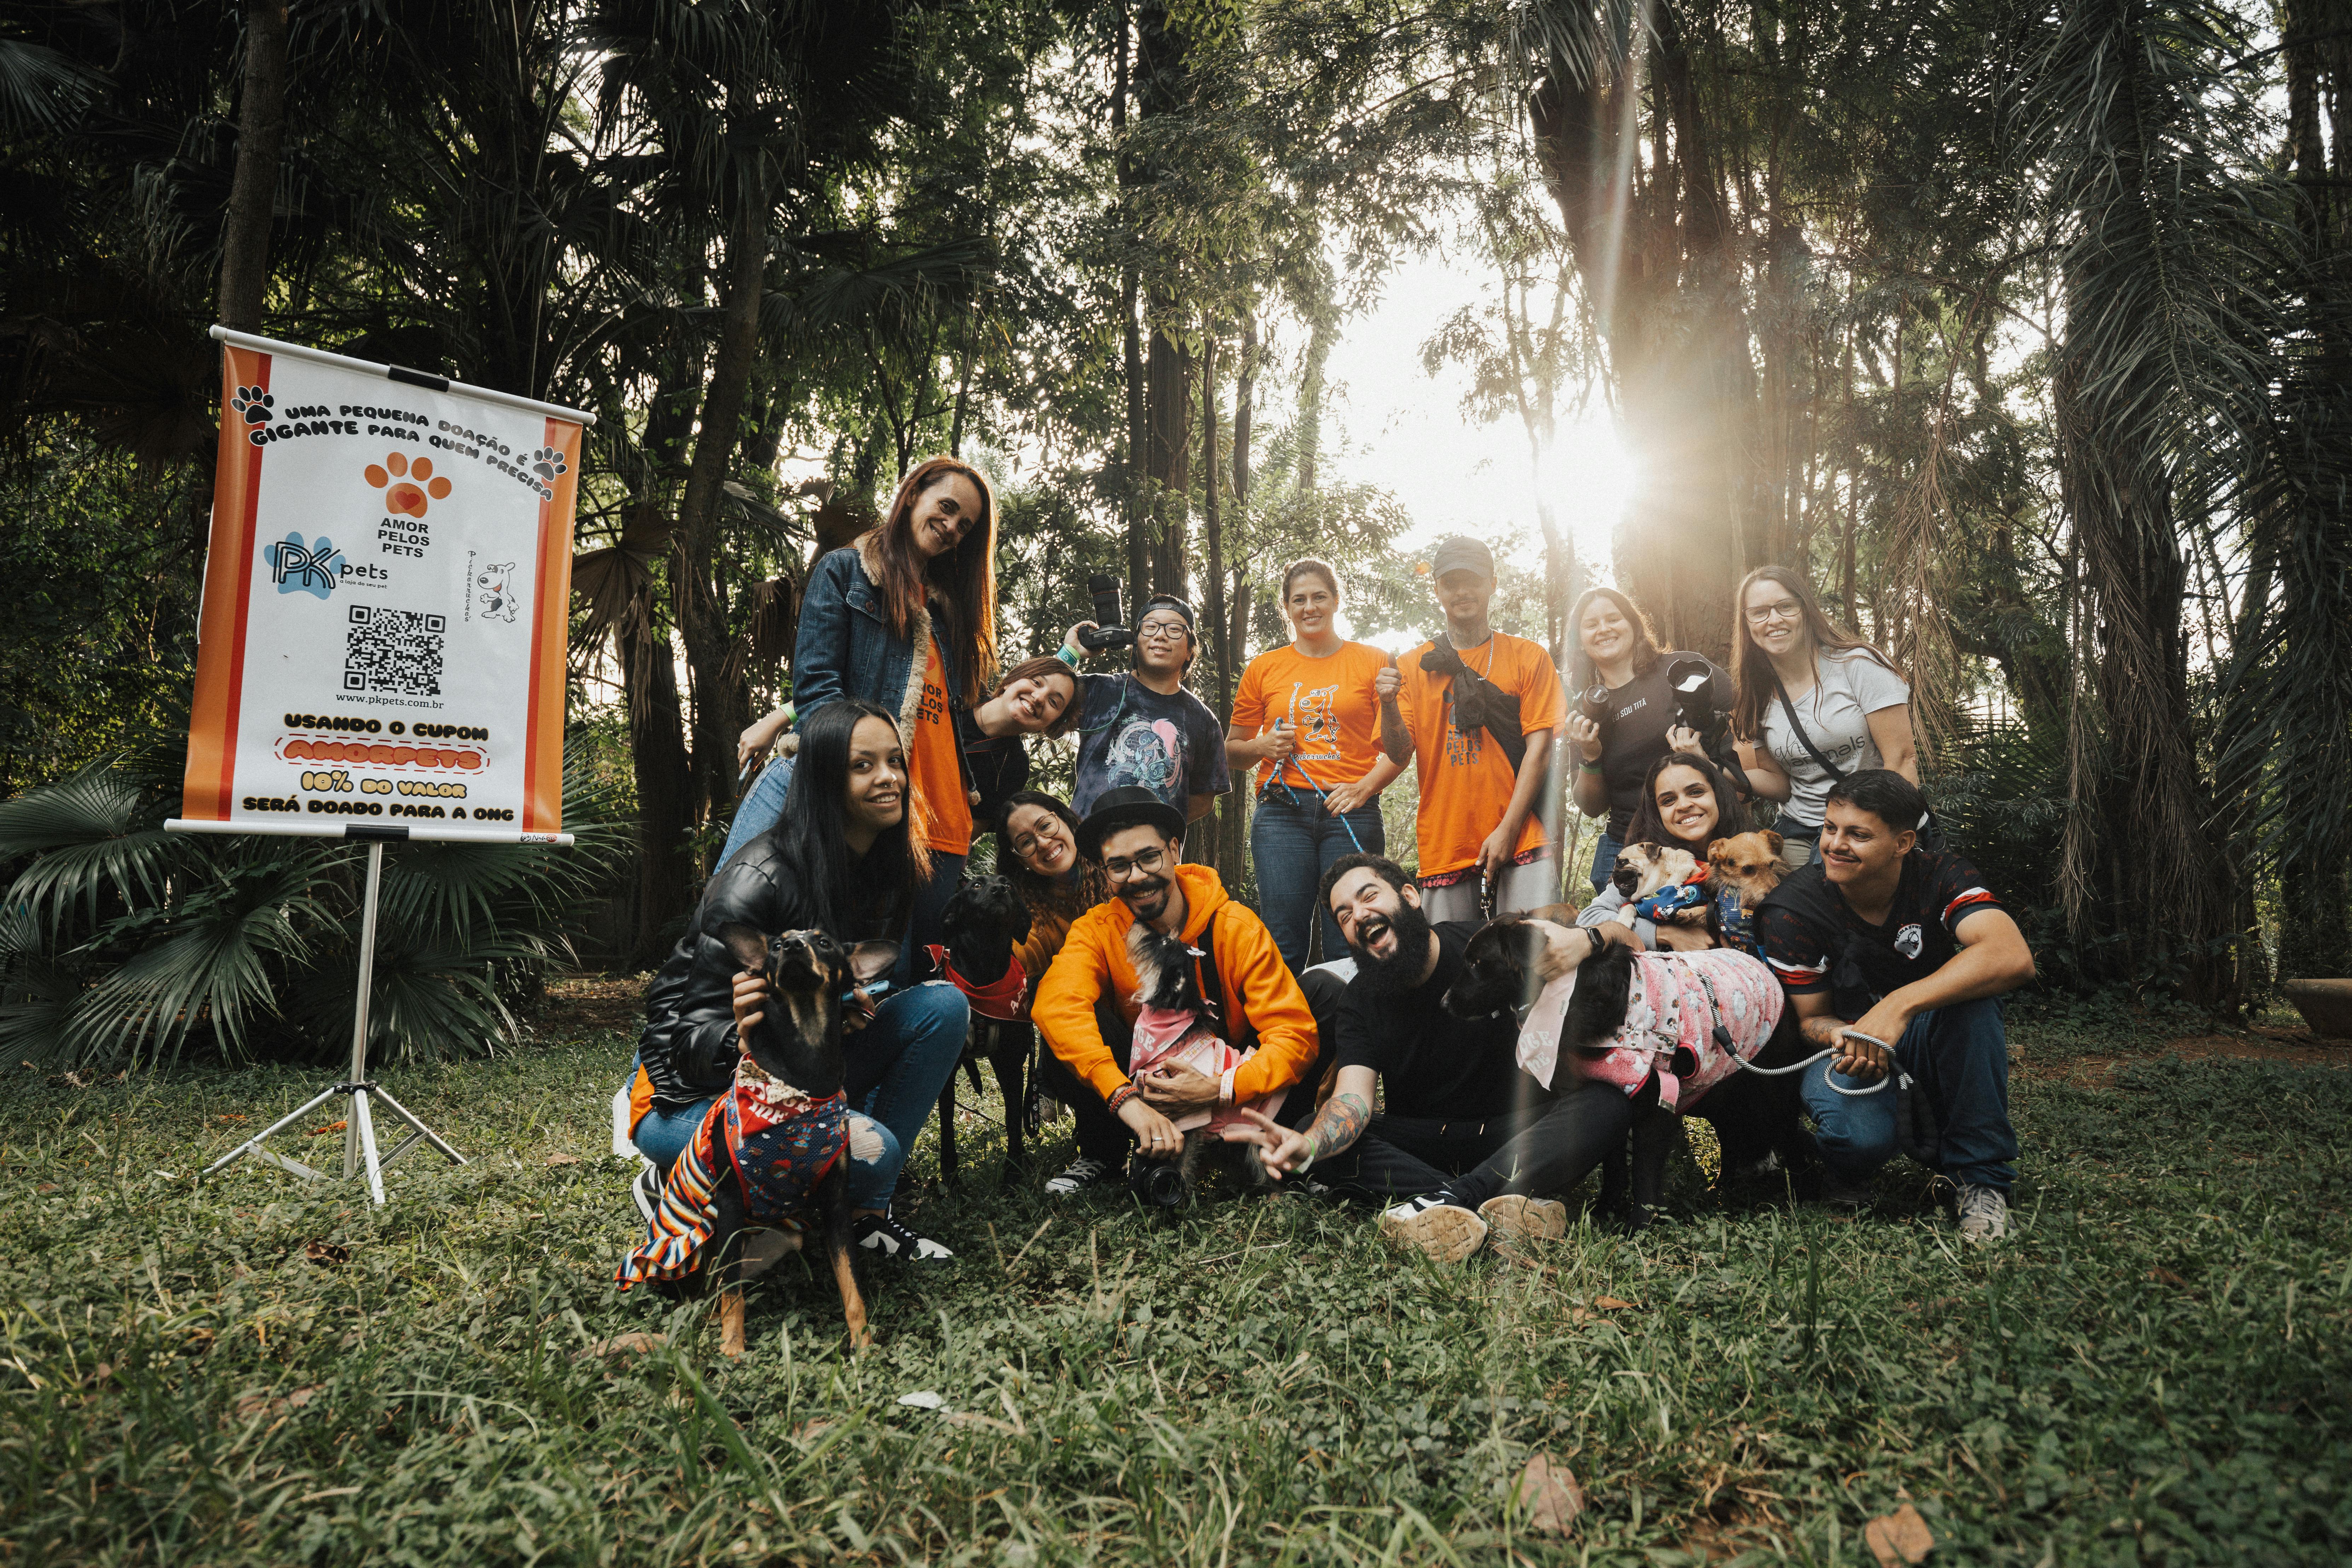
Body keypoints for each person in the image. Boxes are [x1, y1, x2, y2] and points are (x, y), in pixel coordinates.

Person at [627, 700, 968, 1260]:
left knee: (944, 1006)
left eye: (894, 762)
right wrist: (742, 1036)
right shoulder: (757, 878)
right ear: (824, 778)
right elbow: (678, 1039)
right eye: (863, 765)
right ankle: (675, 1179)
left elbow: (833, 1006)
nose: (889, 779)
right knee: (869, 1147)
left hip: (797, 1082)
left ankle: (863, 1216)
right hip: (688, 1098)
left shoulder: (886, 869)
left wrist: (846, 1011)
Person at [1236, 854, 1647, 1265]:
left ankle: (1450, 1200)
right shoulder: (1357, 1001)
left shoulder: (1487, 943)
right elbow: (1353, 1101)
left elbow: (1631, 944)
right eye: (1344, 915)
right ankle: (1496, 1202)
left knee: (1608, 1102)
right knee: (1314, 1127)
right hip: (1425, 1144)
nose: (1359, 915)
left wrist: (1587, 939)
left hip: (1519, 1133)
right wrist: (1308, 1143)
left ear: (1411, 896)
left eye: (1368, 896)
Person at [724, 458, 1003, 962]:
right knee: (731, 932)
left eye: (965, 526)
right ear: (913, 494)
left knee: (884, 980)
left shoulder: (948, 611)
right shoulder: (847, 571)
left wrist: (1069, 658)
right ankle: (670, 1043)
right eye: (946, 508)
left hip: (938, 821)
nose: (952, 528)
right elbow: (819, 686)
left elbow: (989, 709)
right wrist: (803, 735)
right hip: (865, 804)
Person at [1755, 769, 2035, 1241]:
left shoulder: (1941, 873)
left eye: (1858, 834)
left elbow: (2012, 955)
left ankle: (1980, 1181)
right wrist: (1847, 1033)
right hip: (1848, 1049)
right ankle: (1846, 1170)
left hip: (1928, 1032)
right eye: (1830, 828)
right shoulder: (1792, 909)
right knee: (1856, 1139)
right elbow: (1811, 1020)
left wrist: (1900, 1005)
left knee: (1974, 1001)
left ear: (1903, 842)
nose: (1835, 845)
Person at [1027, 786, 1328, 1195]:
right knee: (1066, 1020)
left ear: (1173, 849)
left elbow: (1293, 1034)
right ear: (1104, 870)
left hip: (1233, 1069)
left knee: (1322, 993)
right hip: (1146, 1084)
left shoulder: (1234, 924)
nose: (1136, 877)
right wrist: (1124, 1100)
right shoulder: (1097, 929)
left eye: (1148, 857)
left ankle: (1282, 1151)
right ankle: (1105, 1151)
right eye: (1118, 866)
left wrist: (1220, 1087)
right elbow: (1055, 1004)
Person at [1377, 536, 1565, 922]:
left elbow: (1540, 751)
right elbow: (1399, 753)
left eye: (1473, 580)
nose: (1462, 592)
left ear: (1492, 583)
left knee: (1537, 963)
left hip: (1522, 838)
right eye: (1451, 583)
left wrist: (1507, 830)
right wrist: (1388, 704)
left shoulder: (1528, 657)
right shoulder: (1414, 665)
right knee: (1454, 972)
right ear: (1437, 590)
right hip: (1446, 842)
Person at [1225, 559, 1400, 970]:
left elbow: (1400, 748)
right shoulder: (1264, 667)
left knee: (1353, 937)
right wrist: (1264, 745)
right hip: (1281, 813)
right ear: (1287, 607)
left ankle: (1353, 1034)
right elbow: (1231, 750)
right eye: (1299, 599)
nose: (1310, 607)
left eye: (1319, 596)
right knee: (1282, 940)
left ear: (1336, 601)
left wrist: (1364, 788)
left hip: (1351, 811)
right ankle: (1286, 1034)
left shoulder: (1373, 660)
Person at [1729, 566, 1918, 873]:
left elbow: (1901, 760)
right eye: (1759, 612)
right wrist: (1714, 769)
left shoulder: (1858, 664)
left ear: (1805, 609)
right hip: (1799, 826)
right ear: (1746, 622)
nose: (1773, 620)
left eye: (1785, 606)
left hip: (1869, 819)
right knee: (1776, 904)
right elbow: (1779, 785)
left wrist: (1882, 834)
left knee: (1831, 901)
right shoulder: (1754, 696)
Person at [1558, 587, 1733, 891]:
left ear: (1633, 625)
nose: (1603, 629)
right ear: (1580, 642)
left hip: (1700, 838)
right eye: (1591, 625)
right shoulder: (1584, 711)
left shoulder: (1679, 669)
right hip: (1628, 849)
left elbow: (1747, 717)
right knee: (1627, 937)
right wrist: (1591, 755)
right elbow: (1591, 806)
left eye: (1613, 618)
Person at [994, 789, 1119, 1196]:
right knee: (1063, 1003)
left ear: (1065, 818)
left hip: (1148, 1016)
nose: (1044, 843)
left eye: (1045, 826)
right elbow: (1021, 962)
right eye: (1026, 841)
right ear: (1018, 857)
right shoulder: (1031, 908)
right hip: (1093, 1028)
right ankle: (1100, 1150)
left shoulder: (1113, 867)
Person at [1057, 595, 1230, 826]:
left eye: (1175, 629)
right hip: (1086, 844)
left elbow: (1203, 800)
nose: (1160, 635)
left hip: (1153, 857)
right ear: (1136, 640)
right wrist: (1071, 652)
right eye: (1150, 627)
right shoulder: (1096, 689)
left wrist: (1150, 826)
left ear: (1190, 650)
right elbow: (1032, 702)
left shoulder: (1204, 721)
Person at [1577, 750, 1758, 952]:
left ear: (1717, 794)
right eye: (1669, 800)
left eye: (1696, 792)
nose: (1684, 805)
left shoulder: (1755, 853)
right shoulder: (1648, 862)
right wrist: (1665, 934)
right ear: (1657, 813)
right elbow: (1589, 917)